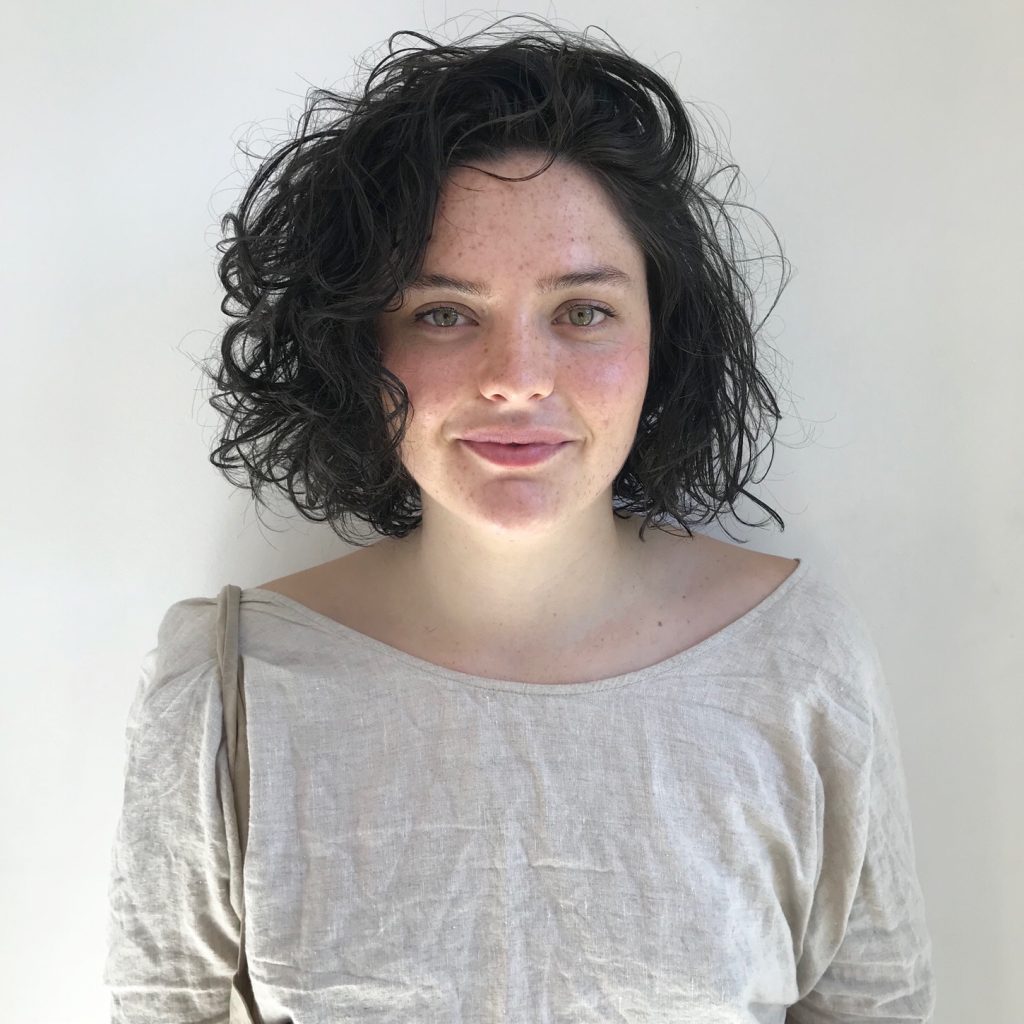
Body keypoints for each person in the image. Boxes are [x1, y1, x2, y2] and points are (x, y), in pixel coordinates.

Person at [103, 16, 936, 1022]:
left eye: (581, 310)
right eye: (443, 313)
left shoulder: (796, 664)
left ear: (660, 341)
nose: (515, 379)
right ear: (357, 347)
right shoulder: (228, 685)